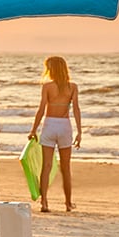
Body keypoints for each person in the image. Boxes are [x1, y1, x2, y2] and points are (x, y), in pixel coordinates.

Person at [27, 56, 81, 213]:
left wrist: (33, 130)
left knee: (47, 166)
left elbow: (41, 109)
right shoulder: (72, 87)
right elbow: (76, 109)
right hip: (64, 126)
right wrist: (79, 131)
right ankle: (68, 203)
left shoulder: (47, 87)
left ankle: (44, 203)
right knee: (66, 167)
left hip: (49, 124)